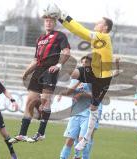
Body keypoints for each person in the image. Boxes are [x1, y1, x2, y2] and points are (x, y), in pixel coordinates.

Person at [51, 3, 114, 150]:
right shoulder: (99, 37)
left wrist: (63, 17)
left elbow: (80, 31)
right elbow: (77, 30)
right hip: (92, 71)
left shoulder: (103, 37)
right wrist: (62, 19)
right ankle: (53, 75)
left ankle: (86, 139)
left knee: (93, 107)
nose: (95, 24)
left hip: (102, 78)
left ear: (105, 28)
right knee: (72, 72)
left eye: (99, 23)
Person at [9, 5, 71, 143]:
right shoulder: (40, 39)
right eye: (46, 21)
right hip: (38, 71)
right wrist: (26, 72)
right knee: (29, 101)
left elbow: (66, 52)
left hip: (50, 71)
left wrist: (58, 65)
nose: (48, 23)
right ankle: (22, 134)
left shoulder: (60, 36)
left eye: (50, 21)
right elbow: (36, 60)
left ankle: (41, 133)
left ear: (55, 22)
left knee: (45, 101)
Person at [58, 56, 100, 159]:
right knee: (69, 140)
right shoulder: (75, 78)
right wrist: (60, 93)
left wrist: (82, 95)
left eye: (87, 62)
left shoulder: (94, 78)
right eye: (83, 62)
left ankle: (83, 157)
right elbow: (70, 92)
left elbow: (97, 95)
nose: (84, 63)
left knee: (83, 139)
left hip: (87, 114)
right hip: (75, 113)